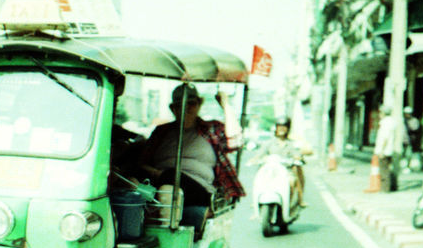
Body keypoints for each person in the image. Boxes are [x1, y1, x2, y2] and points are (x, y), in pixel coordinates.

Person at [132, 83, 245, 222]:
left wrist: (225, 104)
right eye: (179, 105)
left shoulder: (211, 129)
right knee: (150, 181)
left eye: (191, 103)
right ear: (172, 109)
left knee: (171, 175)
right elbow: (142, 163)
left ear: (199, 104)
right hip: (162, 183)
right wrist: (156, 173)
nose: (186, 108)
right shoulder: (162, 131)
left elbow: (236, 141)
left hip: (199, 191)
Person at [269, 117, 309, 209]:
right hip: (271, 171)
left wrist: (297, 157)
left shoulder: (292, 143)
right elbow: (260, 154)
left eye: (284, 127)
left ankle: (297, 200)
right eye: (280, 127)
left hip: (286, 171)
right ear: (276, 128)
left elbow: (297, 153)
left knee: (291, 182)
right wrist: (255, 159)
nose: (282, 129)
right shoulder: (270, 143)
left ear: (288, 129)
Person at [372, 104, 407, 192]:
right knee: (388, 169)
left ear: (383, 113)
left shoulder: (385, 123)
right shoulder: (392, 122)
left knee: (384, 170)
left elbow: (384, 138)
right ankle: (391, 187)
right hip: (389, 149)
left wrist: (381, 151)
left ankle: (385, 189)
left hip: (385, 150)